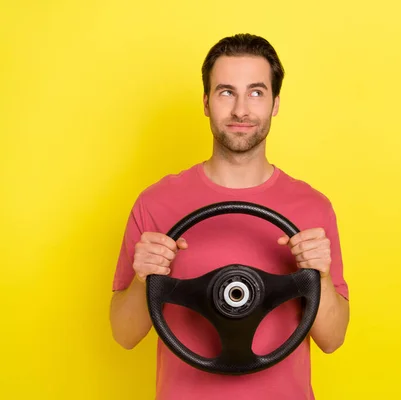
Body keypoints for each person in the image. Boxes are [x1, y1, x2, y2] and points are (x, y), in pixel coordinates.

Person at [109, 33, 350, 400]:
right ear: (206, 102)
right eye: (226, 92)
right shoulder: (156, 202)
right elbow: (124, 335)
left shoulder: (313, 207)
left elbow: (332, 340)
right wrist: (144, 279)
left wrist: (322, 275)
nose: (241, 110)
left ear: (275, 103)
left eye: (256, 92)